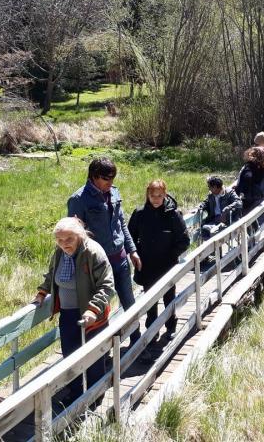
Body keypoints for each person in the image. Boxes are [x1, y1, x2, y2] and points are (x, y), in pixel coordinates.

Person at [34, 217, 114, 400]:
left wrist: (93, 309)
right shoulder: (59, 252)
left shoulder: (93, 252)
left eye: (69, 239)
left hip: (92, 315)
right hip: (68, 314)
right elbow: (52, 274)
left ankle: (96, 394)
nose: (64, 244)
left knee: (94, 356)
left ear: (80, 236)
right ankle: (75, 392)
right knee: (70, 354)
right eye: (59, 240)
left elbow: (107, 286)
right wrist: (42, 292)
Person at [67, 157, 142, 343]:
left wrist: (132, 250)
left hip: (120, 259)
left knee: (129, 302)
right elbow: (74, 236)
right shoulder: (78, 200)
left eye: (113, 178)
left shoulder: (114, 192)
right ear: (94, 176)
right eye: (106, 178)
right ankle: (103, 353)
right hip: (97, 266)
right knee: (100, 309)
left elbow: (121, 224)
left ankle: (137, 341)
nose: (110, 182)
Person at [127, 180, 190, 347]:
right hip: (146, 265)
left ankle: (171, 327)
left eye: (160, 196)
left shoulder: (173, 214)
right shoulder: (139, 213)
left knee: (169, 297)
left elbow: (184, 240)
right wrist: (135, 253)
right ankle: (152, 329)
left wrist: (171, 255)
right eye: (153, 195)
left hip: (167, 265)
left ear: (165, 195)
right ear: (147, 194)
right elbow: (130, 237)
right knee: (150, 300)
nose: (156, 199)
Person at [197, 175, 243, 239]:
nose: (209, 189)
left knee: (213, 232)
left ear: (215, 187)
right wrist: (201, 206)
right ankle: (211, 244)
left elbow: (239, 202)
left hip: (227, 221)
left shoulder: (229, 193)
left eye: (209, 187)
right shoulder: (211, 195)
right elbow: (206, 202)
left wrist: (227, 209)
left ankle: (213, 243)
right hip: (214, 220)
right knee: (204, 230)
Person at [233, 146, 264, 213]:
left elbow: (248, 177)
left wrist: (240, 188)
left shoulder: (250, 165)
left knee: (244, 215)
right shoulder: (263, 167)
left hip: (247, 196)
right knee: (253, 214)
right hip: (257, 195)